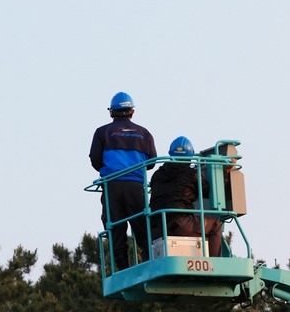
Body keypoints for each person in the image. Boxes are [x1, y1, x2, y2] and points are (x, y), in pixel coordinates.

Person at [89, 91, 157, 270]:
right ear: (132, 111)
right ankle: (149, 265)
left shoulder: (102, 132)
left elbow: (95, 160)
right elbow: (151, 162)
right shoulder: (144, 133)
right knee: (143, 230)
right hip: (135, 187)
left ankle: (123, 270)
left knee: (116, 231)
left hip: (112, 187)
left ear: (112, 112)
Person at [149, 136, 223, 257]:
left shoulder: (157, 175)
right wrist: (224, 172)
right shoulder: (191, 174)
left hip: (158, 227)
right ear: (190, 155)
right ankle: (214, 265)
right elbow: (208, 191)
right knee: (215, 225)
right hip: (180, 222)